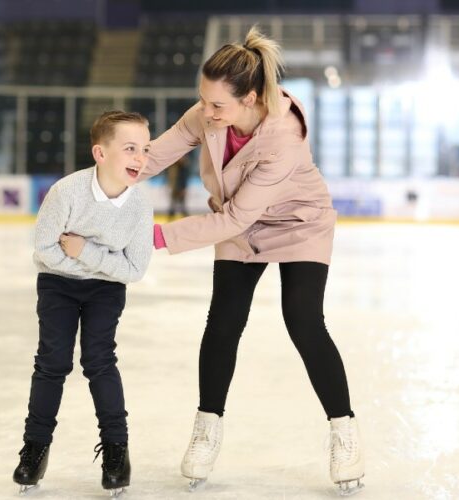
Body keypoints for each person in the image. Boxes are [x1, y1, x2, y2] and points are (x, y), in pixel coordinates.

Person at [146, 26, 364, 494]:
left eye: (216, 105)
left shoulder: (282, 134)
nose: (206, 112)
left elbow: (235, 218)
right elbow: (156, 154)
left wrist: (157, 237)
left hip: (297, 224)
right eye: (202, 101)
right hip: (240, 221)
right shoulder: (211, 113)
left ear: (249, 98)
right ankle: (207, 426)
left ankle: (344, 430)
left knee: (303, 320)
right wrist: (105, 176)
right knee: (223, 322)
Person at [12, 111, 153, 497]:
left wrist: (84, 251)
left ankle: (116, 451)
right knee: (52, 362)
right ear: (100, 153)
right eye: (129, 148)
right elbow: (43, 251)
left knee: (99, 361)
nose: (140, 157)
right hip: (57, 285)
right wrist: (100, 262)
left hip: (106, 291)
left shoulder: (140, 206)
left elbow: (135, 268)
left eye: (144, 148)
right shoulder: (67, 192)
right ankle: (34, 449)